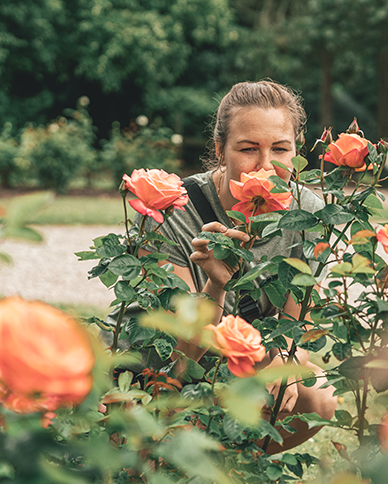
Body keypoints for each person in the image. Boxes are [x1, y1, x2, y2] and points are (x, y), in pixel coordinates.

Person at [138, 80, 336, 452]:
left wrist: (286, 368)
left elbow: (297, 326)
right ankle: (176, 467)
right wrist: (216, 284)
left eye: (280, 149)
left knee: (318, 394)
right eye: (248, 149)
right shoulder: (172, 211)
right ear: (220, 150)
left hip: (246, 368)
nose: (265, 166)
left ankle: (237, 473)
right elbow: (181, 360)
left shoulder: (308, 213)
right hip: (164, 372)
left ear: (297, 152)